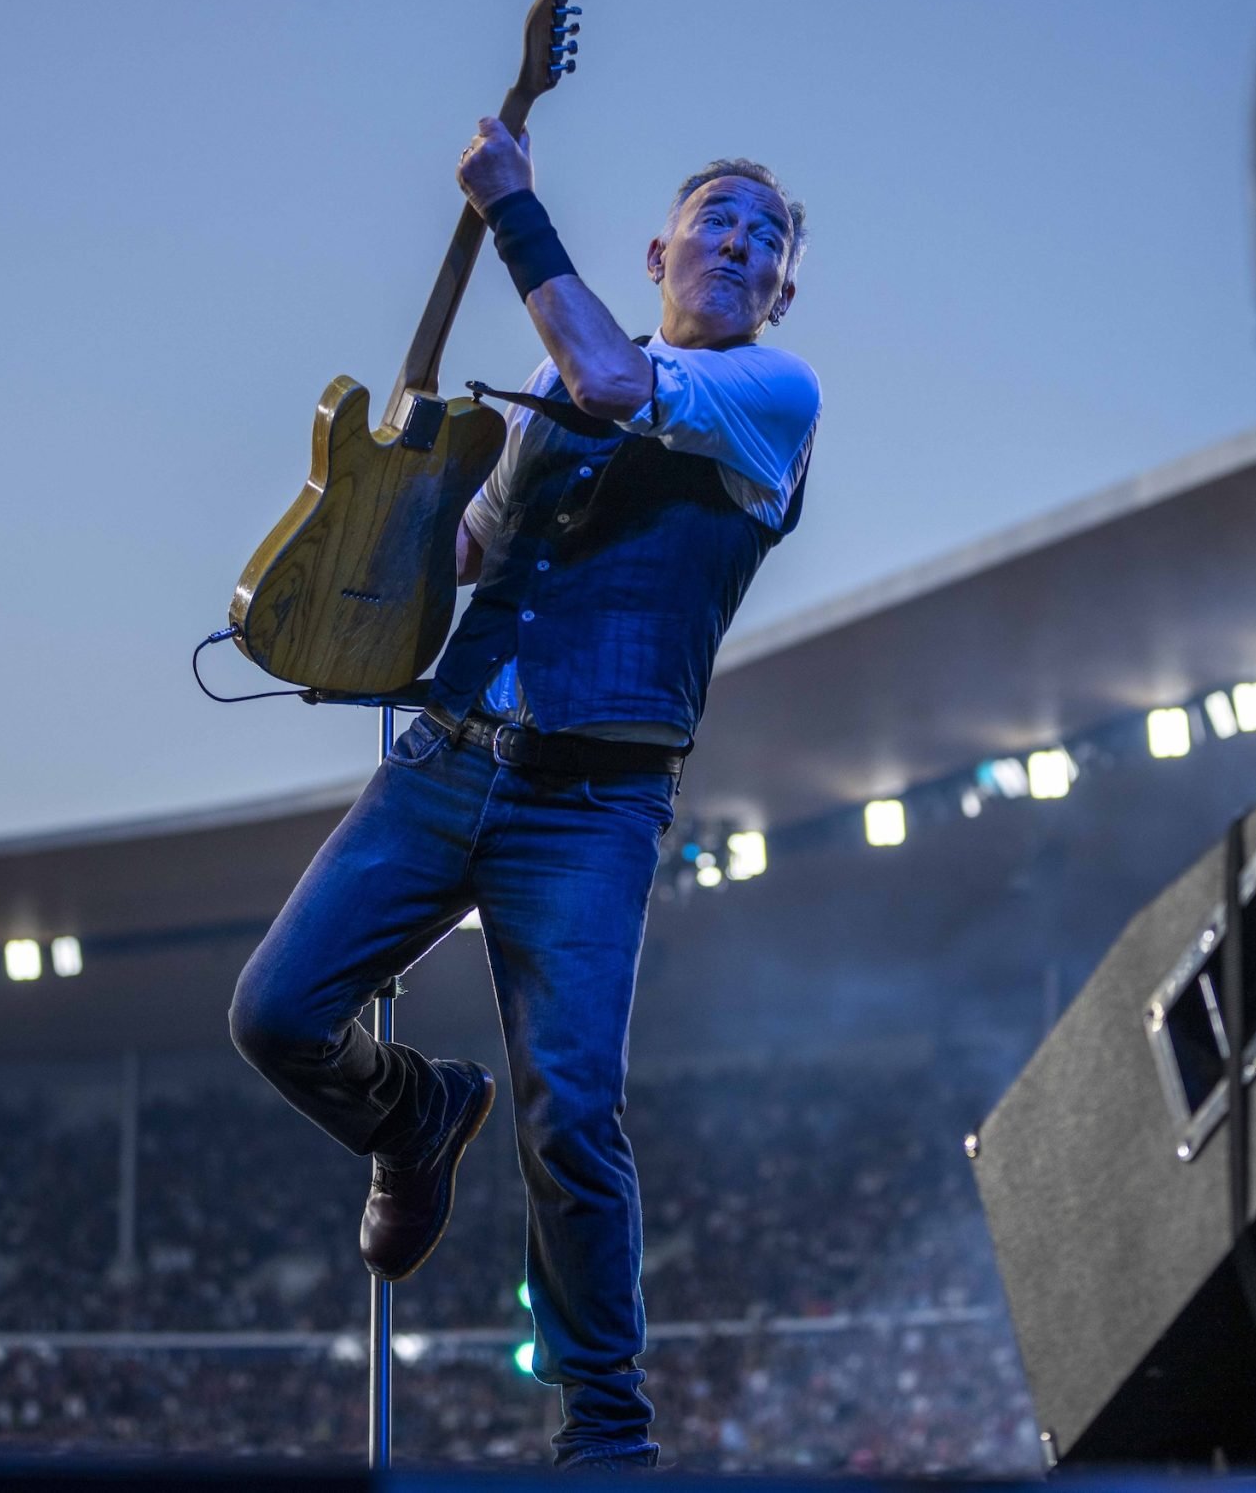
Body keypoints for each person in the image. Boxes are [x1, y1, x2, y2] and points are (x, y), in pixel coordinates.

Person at [229, 117, 819, 1469]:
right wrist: (373, 539)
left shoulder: (772, 393)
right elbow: (466, 564)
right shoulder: (549, 409)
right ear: (660, 252)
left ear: (781, 291)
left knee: (571, 1108)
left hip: (590, 806)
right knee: (275, 1013)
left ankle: (607, 1436)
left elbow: (613, 379)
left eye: (764, 236)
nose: (737, 241)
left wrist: (509, 209)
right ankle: (415, 1113)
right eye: (716, 221)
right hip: (443, 763)